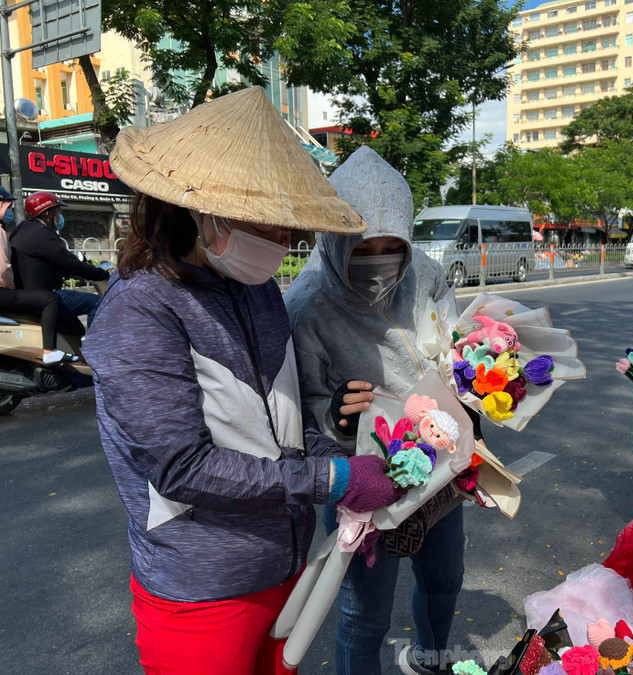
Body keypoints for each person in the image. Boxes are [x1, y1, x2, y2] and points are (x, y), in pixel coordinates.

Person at [81, 87, 405, 675]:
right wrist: (332, 477)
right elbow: (182, 467)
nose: (280, 242)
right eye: (264, 223)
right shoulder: (141, 310)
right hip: (201, 588)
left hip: (285, 569)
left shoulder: (259, 293)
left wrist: (333, 442)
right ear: (201, 211)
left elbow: (282, 416)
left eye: (287, 229)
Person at [285, 146, 467, 675]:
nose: (380, 263)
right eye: (364, 248)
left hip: (438, 468)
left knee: (443, 581)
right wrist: (338, 417)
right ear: (336, 238)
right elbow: (302, 409)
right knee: (364, 614)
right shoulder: (307, 305)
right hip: (365, 478)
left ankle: (430, 661)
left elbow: (450, 347)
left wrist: (472, 387)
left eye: (394, 248)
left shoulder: (425, 276)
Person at [9, 191, 109, 326]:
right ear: (47, 213)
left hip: (28, 295)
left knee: (75, 327)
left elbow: (46, 261)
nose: (59, 217)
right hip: (45, 296)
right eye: (57, 213)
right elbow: (69, 262)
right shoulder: (42, 233)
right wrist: (101, 274)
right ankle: (96, 346)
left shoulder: (22, 229)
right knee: (98, 303)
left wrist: (68, 273)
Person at [0, 187, 75, 365]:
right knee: (50, 299)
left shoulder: (17, 231)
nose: (10, 211)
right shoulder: (1, 232)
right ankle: (49, 351)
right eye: (8, 207)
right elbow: (3, 269)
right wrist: (12, 289)